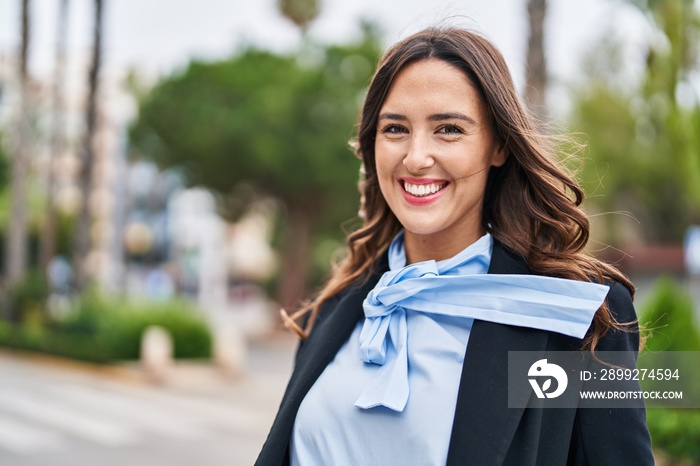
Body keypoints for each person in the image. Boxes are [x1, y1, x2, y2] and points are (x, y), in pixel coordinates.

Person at [255, 27, 654, 466]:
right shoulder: (334, 309)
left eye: (448, 129)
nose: (415, 157)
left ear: (498, 145)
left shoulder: (574, 319)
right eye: (395, 129)